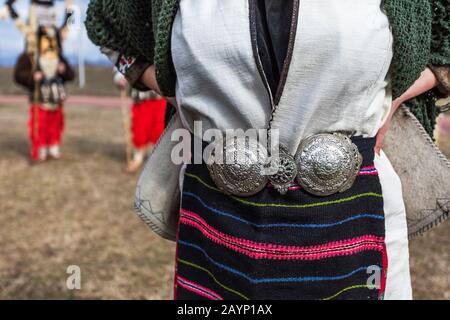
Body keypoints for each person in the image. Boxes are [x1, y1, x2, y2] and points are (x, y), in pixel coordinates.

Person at [86, 0, 450, 300]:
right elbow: (109, 28)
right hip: (217, 228)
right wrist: (176, 89)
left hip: (355, 223)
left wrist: (396, 96)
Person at [14, 25, 74, 162]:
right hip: (38, 99)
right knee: (40, 124)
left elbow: (71, 75)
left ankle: (53, 146)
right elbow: (18, 75)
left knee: (55, 123)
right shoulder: (30, 57)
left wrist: (63, 70)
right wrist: (32, 76)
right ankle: (40, 147)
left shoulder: (59, 57)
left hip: (56, 98)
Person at [113, 69, 167, 173]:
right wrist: (120, 78)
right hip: (140, 98)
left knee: (159, 129)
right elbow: (121, 63)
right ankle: (137, 157)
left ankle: (157, 158)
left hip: (160, 95)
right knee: (140, 128)